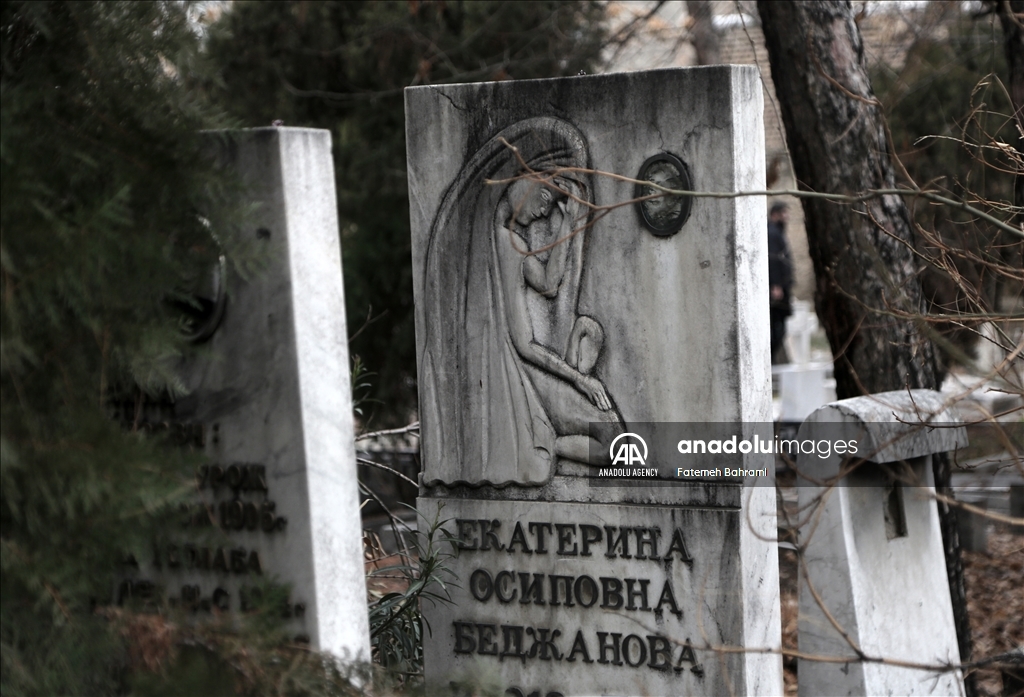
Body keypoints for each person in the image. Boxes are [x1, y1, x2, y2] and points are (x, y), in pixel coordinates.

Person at [767, 202, 793, 363]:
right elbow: (773, 260)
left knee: (779, 330)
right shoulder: (772, 233)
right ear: (775, 214)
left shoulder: (777, 232)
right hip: (776, 291)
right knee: (776, 330)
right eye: (784, 213)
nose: (787, 217)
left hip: (781, 289)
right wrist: (775, 285)